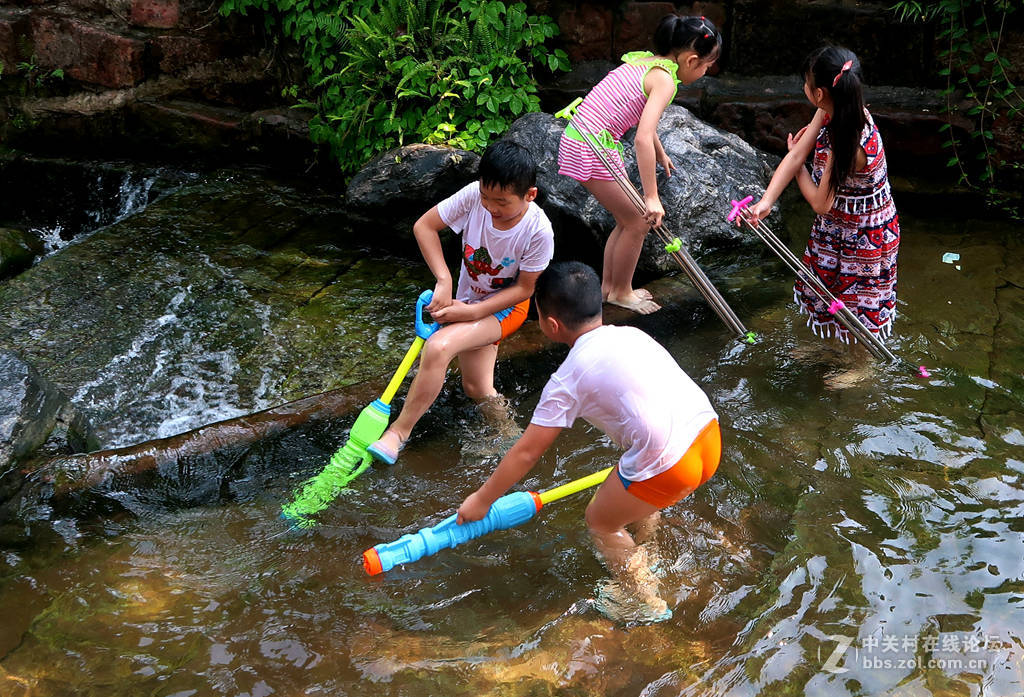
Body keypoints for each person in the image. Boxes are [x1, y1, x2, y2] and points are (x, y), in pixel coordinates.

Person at [456, 262, 721, 622]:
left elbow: (527, 452)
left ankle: (646, 602)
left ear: (551, 324)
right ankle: (648, 554)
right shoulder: (632, 335)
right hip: (707, 435)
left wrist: (482, 500)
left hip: (668, 464)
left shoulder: (568, 379)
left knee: (601, 522)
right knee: (634, 487)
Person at [367, 140, 555, 464]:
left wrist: (471, 312)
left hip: (505, 308)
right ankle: (512, 438)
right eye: (485, 197)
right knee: (477, 387)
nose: (491, 208)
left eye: (502, 202)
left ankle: (397, 433)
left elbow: (526, 289)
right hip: (468, 298)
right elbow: (424, 227)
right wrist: (444, 280)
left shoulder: (539, 232)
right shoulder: (473, 197)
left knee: (438, 347)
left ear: (530, 195)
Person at [557, 14, 722, 315]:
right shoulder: (665, 81)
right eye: (706, 66)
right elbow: (642, 138)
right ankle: (622, 291)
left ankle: (609, 288)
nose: (706, 72)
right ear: (691, 60)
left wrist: (660, 151)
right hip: (592, 147)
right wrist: (651, 197)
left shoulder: (645, 61)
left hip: (581, 139)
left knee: (626, 220)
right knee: (638, 221)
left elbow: (641, 119)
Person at [744, 46, 900, 342]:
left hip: (864, 233)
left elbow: (820, 203)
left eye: (806, 82)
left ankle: (860, 360)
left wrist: (801, 170)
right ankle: (831, 347)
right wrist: (766, 202)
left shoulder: (846, 142)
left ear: (818, 93)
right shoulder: (834, 108)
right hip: (841, 223)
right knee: (830, 291)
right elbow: (796, 155)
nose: (803, 86)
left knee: (858, 305)